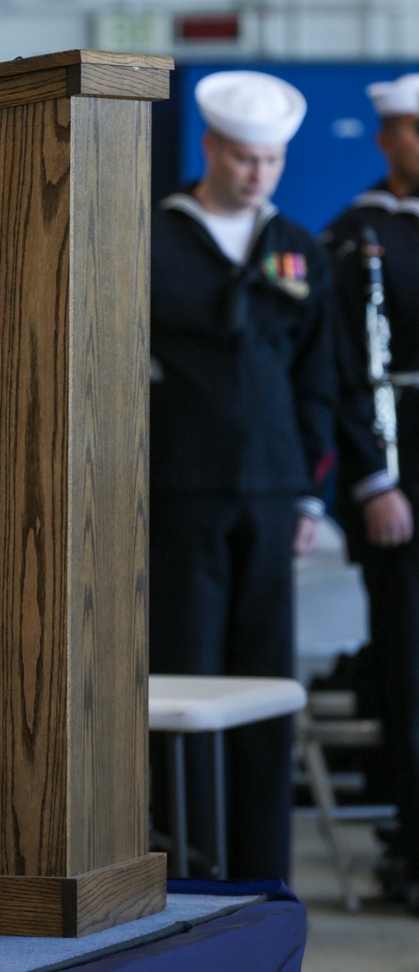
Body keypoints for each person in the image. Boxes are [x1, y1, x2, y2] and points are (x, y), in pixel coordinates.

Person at [149, 70, 336, 880]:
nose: (258, 174)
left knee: (265, 688)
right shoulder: (155, 236)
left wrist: (307, 488)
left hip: (269, 486)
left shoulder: (295, 243)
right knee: (186, 683)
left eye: (271, 161)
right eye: (244, 159)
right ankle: (191, 867)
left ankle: (263, 873)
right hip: (181, 487)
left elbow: (319, 372)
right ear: (210, 149)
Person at [324, 72, 419, 912]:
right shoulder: (359, 234)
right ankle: (412, 841)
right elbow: (346, 367)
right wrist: (373, 478)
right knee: (411, 662)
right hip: (400, 468)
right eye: (413, 130)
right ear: (387, 137)